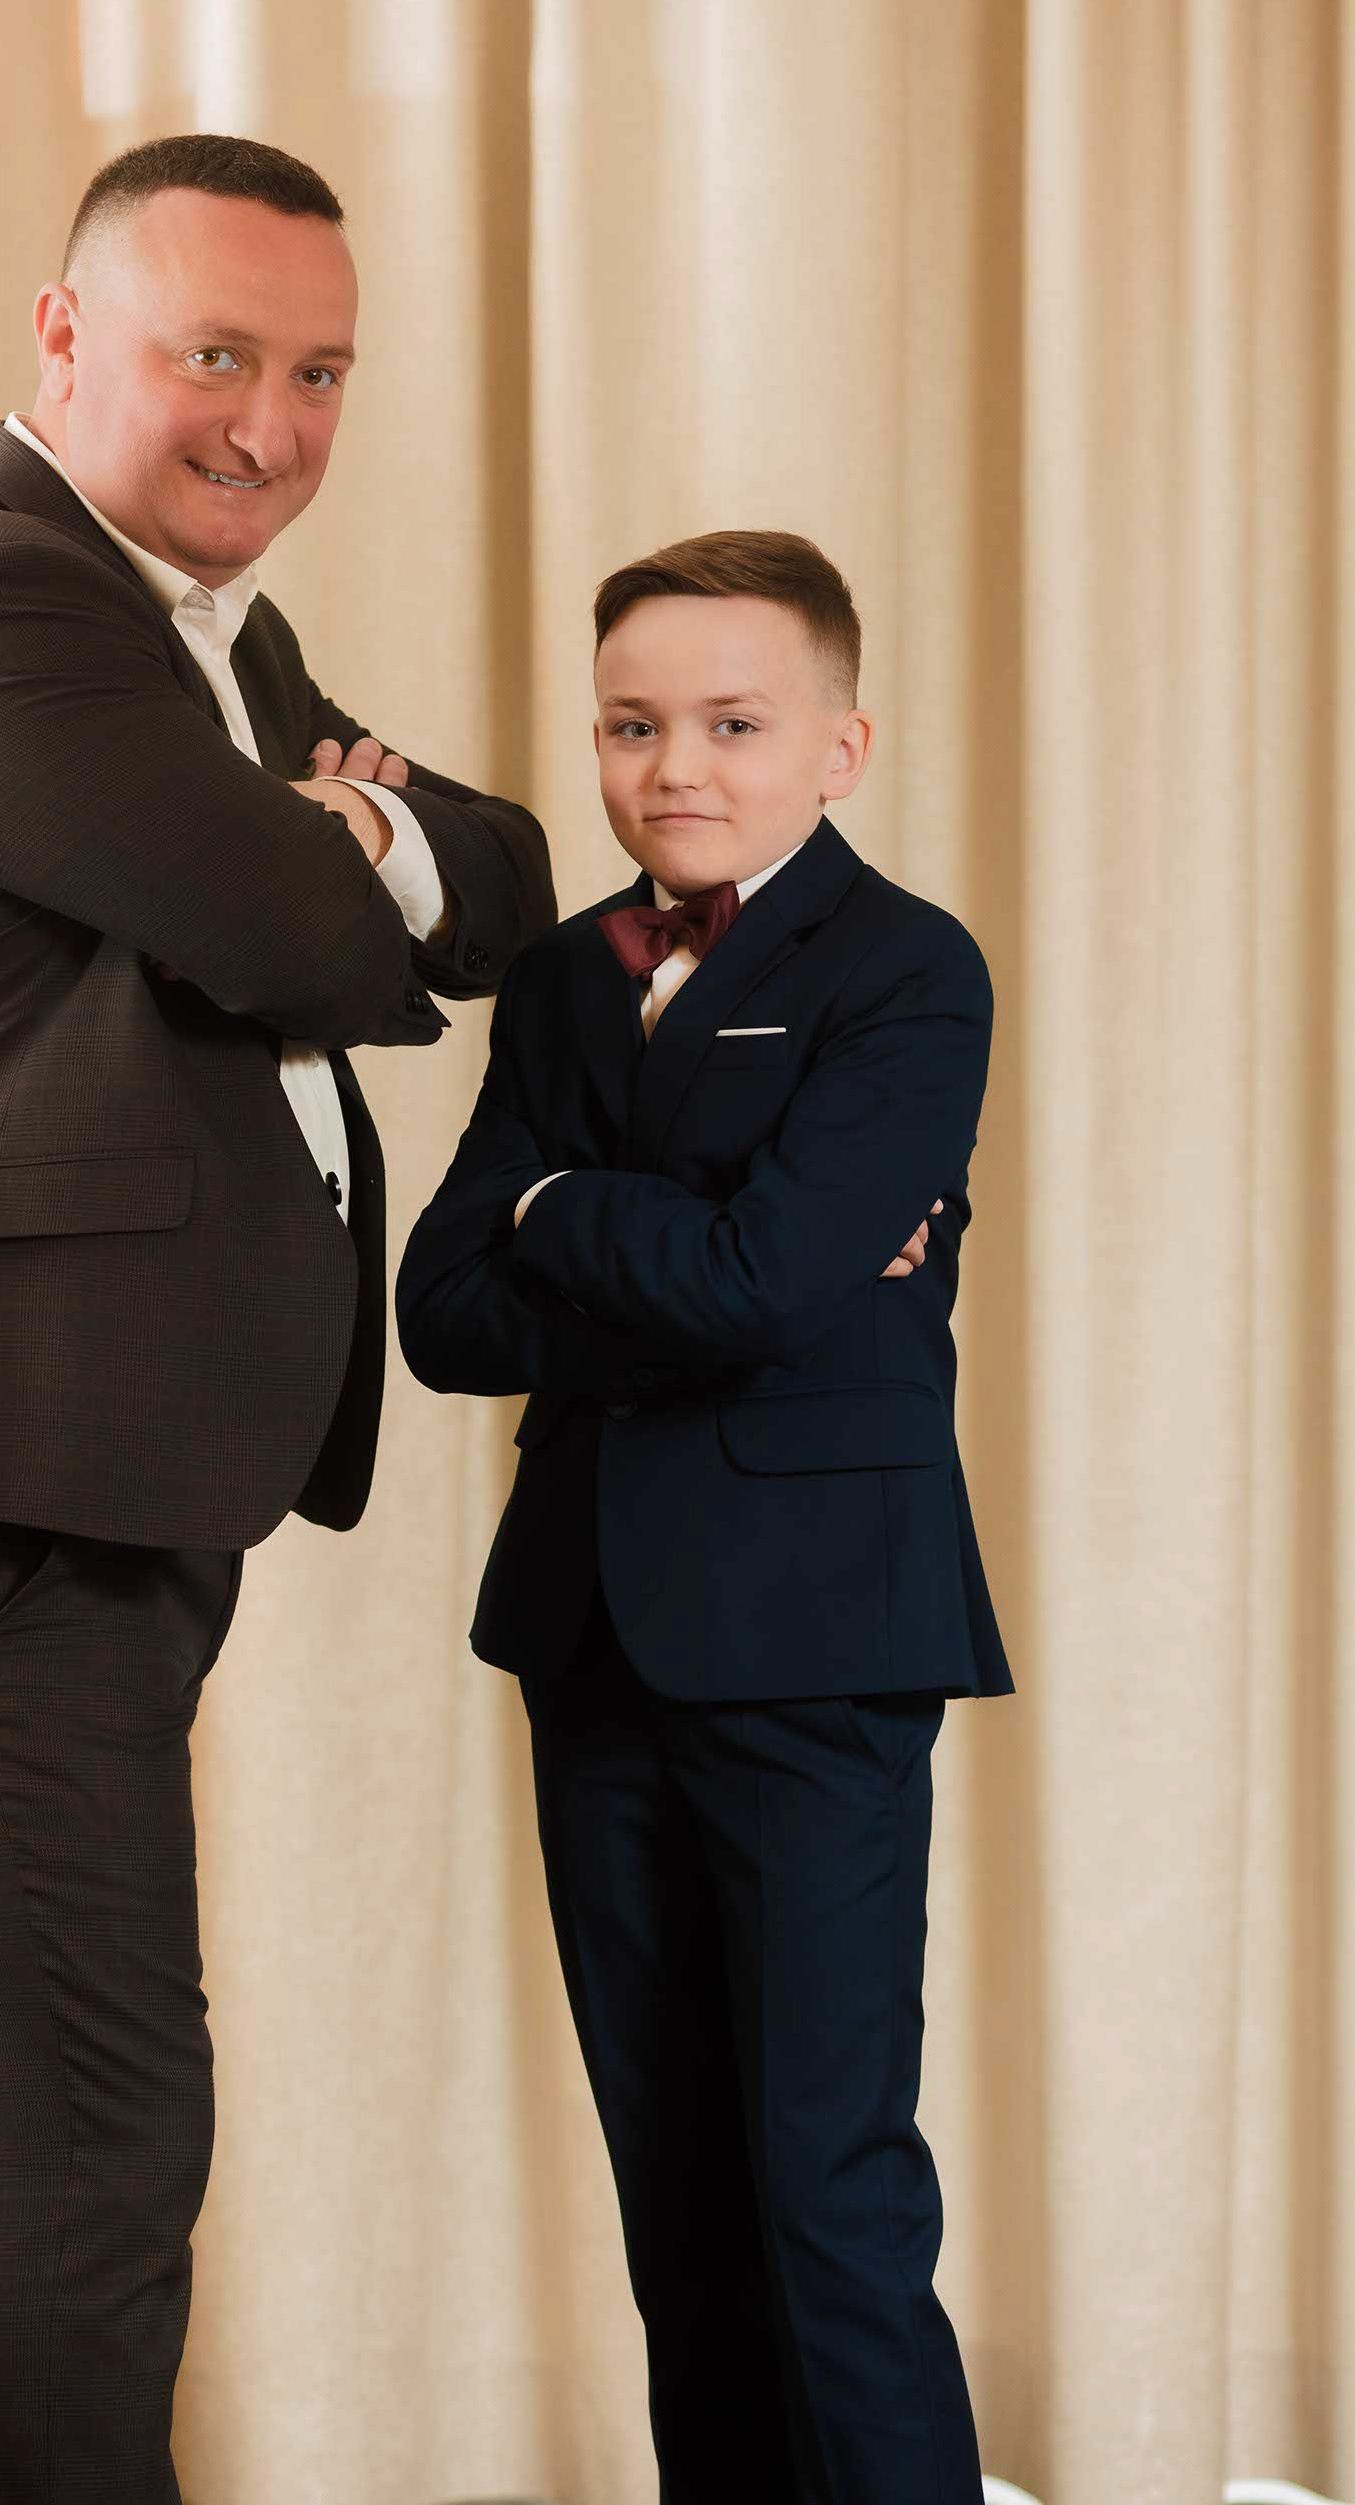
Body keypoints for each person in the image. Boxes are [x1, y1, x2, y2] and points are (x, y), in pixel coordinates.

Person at [0, 132, 554, 2505]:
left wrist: (349, 831)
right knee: (96, 2140)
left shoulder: (203, 632)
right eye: (214, 354)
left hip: (30, 1476)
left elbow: (497, 878)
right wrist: (334, 843)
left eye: (319, 372)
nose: (269, 425)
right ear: (64, 336)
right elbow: (298, 938)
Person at [395, 528, 1010, 2503]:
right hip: (589, 1635)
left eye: (733, 724)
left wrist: (559, 1208)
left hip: (815, 1637)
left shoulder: (905, 968)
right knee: (675, 2202)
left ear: (839, 743)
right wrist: (693, 1254)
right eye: (631, 724)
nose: (675, 767)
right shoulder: (561, 978)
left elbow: (761, 1282)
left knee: (826, 2188)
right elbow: (441, 1311)